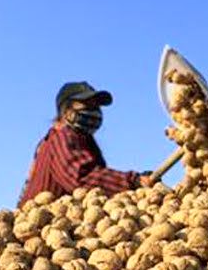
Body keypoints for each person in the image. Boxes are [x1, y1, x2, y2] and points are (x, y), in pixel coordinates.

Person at [17, 81, 147, 206]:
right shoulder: (62, 136)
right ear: (67, 112)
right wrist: (133, 181)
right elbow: (81, 178)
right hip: (46, 224)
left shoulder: (82, 139)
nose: (94, 112)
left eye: (96, 107)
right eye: (88, 106)